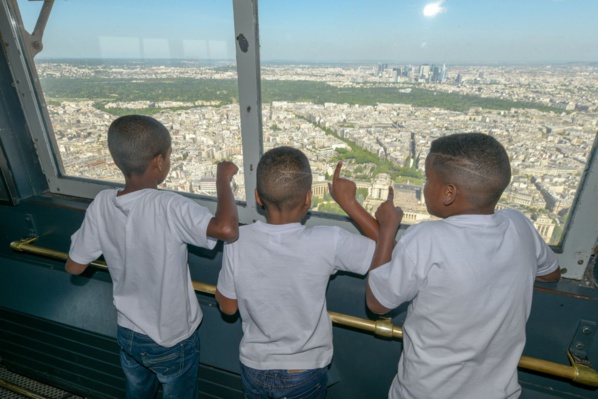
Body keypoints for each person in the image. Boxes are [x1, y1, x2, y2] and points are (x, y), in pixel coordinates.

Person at [366, 133, 561, 399]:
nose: (423, 187)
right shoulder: (519, 224)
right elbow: (551, 273)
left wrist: (388, 228)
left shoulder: (427, 239)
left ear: (449, 193)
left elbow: (377, 303)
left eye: (427, 180)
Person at [65, 114, 239, 399]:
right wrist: (223, 178)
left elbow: (74, 266)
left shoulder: (102, 202)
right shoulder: (168, 205)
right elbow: (227, 229)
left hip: (128, 332)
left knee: (137, 392)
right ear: (159, 162)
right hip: (171, 338)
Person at [215, 146, 402, 399]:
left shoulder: (237, 240)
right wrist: (350, 203)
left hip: (255, 366)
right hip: (305, 369)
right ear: (308, 199)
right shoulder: (328, 240)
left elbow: (228, 307)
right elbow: (387, 250)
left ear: (258, 197)